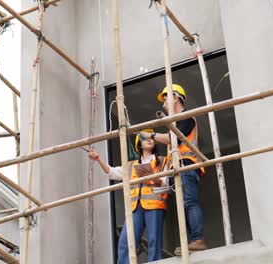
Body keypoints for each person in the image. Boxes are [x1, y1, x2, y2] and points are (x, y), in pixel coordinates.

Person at [140, 84, 208, 255]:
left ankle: (198, 239)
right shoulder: (176, 122)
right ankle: (191, 242)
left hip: (186, 164)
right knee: (183, 205)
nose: (163, 105)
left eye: (165, 100)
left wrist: (152, 135)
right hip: (178, 168)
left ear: (175, 98)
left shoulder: (186, 118)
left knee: (189, 202)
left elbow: (173, 139)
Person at [88, 129, 167, 263]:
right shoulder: (131, 166)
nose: (149, 139)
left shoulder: (161, 161)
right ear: (139, 144)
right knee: (125, 242)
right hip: (135, 208)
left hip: (154, 205)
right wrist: (98, 159)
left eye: (151, 138)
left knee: (154, 240)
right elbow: (112, 172)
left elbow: (166, 183)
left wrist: (152, 177)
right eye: (144, 138)